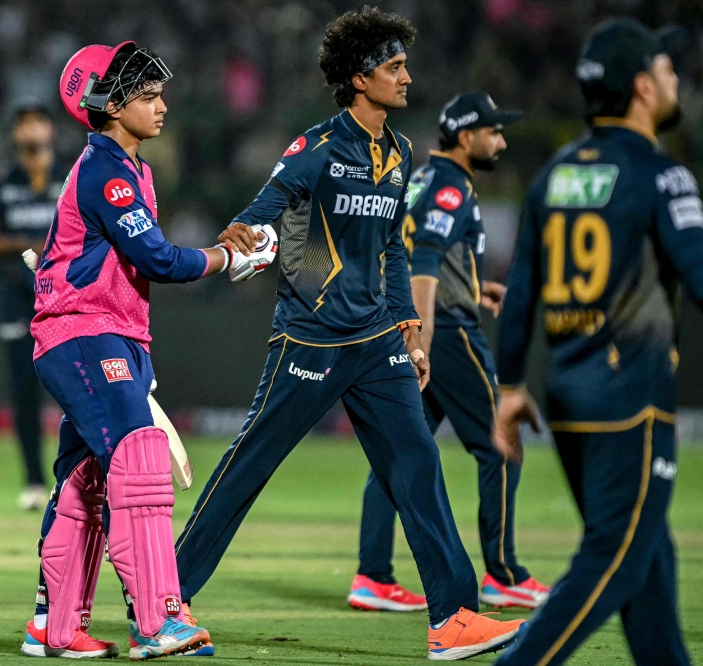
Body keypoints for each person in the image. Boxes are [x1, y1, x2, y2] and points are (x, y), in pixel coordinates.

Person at [173, 7, 525, 661]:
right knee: (252, 461)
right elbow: (260, 210)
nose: (407, 77)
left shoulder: (399, 153)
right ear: (361, 79)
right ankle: (167, 594)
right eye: (395, 67)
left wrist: (410, 328)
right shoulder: (316, 148)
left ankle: (452, 617)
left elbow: (392, 248)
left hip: (377, 343)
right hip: (309, 338)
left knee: (417, 464)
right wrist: (240, 236)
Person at [20, 41, 276, 660]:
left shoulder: (132, 168)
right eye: (147, 96)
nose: (162, 105)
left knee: (84, 480)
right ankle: (160, 621)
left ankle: (54, 628)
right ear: (107, 105)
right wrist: (229, 258)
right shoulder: (106, 171)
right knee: (139, 458)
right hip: (83, 332)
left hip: (111, 333)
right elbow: (158, 259)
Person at [492, 18, 702, 666]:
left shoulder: (555, 174)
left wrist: (508, 387)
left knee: (649, 561)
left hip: (567, 394)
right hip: (632, 398)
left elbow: (521, 288)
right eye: (668, 73)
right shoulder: (662, 176)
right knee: (614, 558)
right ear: (643, 87)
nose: (676, 82)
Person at [349, 91, 549, 614]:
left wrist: (475, 288)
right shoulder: (452, 189)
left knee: (399, 451)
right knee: (501, 444)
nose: (501, 141)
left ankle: (372, 576)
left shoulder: (420, 180)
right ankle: (504, 575)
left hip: (427, 318)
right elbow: (423, 267)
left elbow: (413, 250)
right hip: (446, 333)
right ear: (466, 137)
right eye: (493, 132)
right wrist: (422, 343)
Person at [0, 103, 61, 510]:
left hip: (64, 294)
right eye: (24, 124)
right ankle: (34, 481)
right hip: (15, 294)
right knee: (24, 390)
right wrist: (28, 244)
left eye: (38, 122)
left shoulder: (72, 176)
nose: (32, 130)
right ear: (15, 135)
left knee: (75, 386)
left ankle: (80, 479)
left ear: (51, 129)